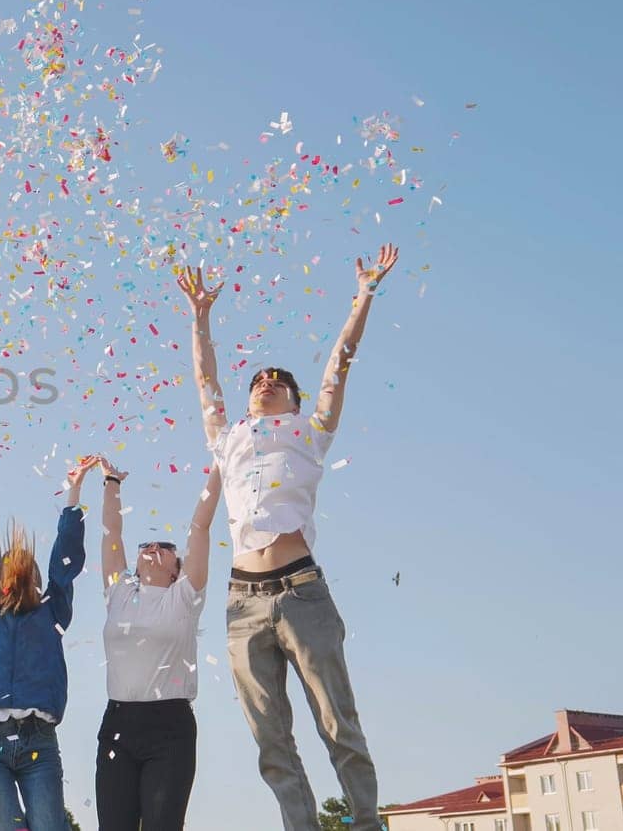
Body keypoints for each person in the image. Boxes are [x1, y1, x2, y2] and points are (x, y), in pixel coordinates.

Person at [178, 243, 399, 831]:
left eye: (278, 380)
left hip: (301, 592)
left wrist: (363, 295)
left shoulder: (311, 431)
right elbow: (205, 379)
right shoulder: (228, 440)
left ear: (296, 402)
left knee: (336, 723)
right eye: (259, 379)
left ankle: (367, 822)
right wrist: (200, 318)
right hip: (243, 602)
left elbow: (339, 364)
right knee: (271, 740)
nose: (266, 381)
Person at [86, 455, 221, 831]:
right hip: (118, 723)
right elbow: (111, 534)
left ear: (177, 568)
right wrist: (111, 482)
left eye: (164, 546)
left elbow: (201, 527)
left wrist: (220, 468)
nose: (152, 547)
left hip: (169, 728)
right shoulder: (119, 593)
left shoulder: (184, 598)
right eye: (147, 543)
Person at [0, 457, 84, 831]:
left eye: (26, 568)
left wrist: (73, 493)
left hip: (38, 741)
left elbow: (67, 561)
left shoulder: (52, 612)